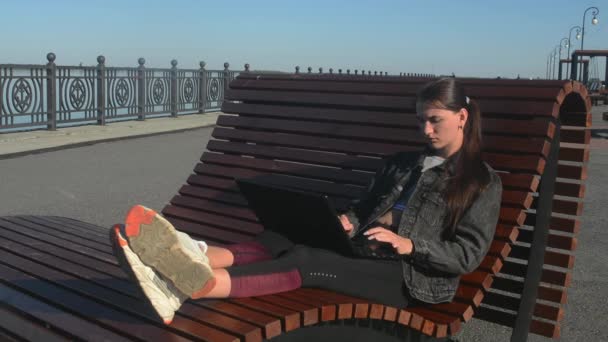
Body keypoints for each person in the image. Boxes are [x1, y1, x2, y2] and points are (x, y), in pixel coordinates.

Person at [109, 77, 503, 324]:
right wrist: (348, 220)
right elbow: (363, 206)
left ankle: (194, 286)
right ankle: (189, 252)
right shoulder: (403, 163)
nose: (425, 128)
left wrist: (410, 244)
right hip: (365, 249)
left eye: (435, 119)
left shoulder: (480, 182)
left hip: (408, 277)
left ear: (463, 117)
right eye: (421, 119)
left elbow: (467, 255)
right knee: (284, 234)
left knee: (310, 261)